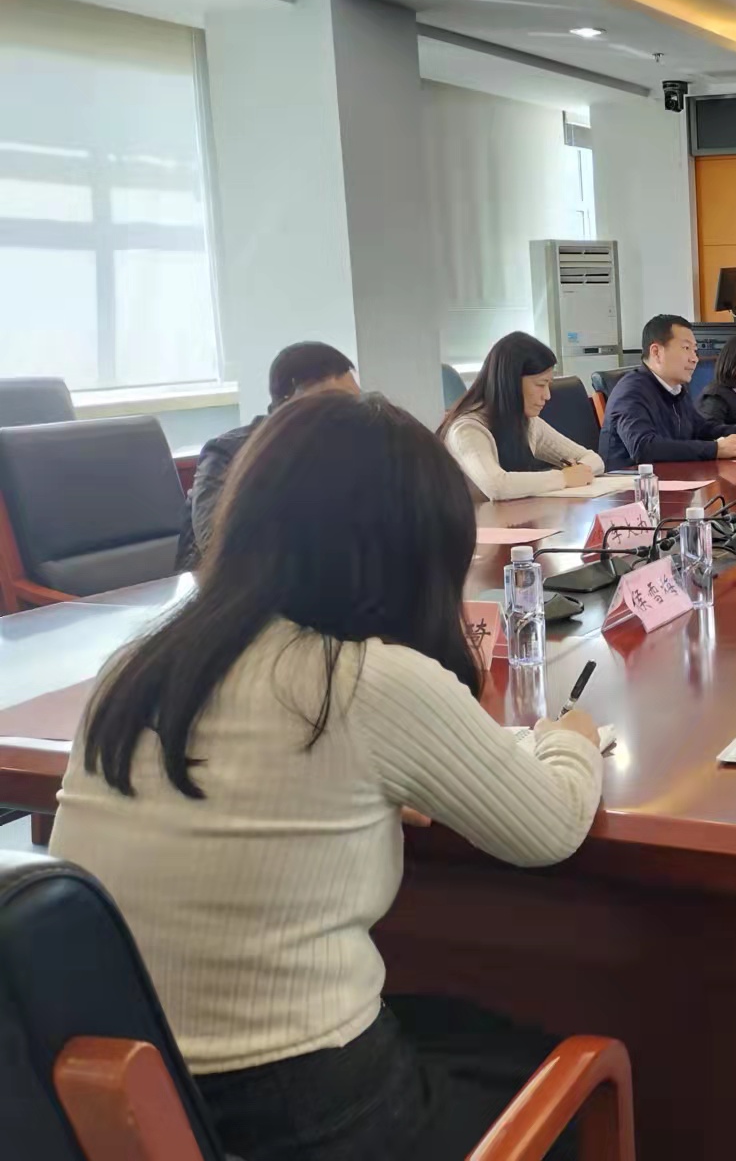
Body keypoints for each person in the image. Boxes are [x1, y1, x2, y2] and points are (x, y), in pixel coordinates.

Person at [51, 393, 605, 1161]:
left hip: (126, 1100)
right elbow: (554, 823)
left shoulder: (135, 666)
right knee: (581, 1087)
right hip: (300, 1107)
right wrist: (570, 739)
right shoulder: (366, 678)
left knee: (461, 1026)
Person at [176, 341, 358, 570]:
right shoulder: (227, 453)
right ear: (286, 406)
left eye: (354, 402)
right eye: (332, 405)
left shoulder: (346, 450)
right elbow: (220, 550)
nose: (349, 416)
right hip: (225, 587)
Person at [598, 314, 736, 470]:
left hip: (673, 481)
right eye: (686, 348)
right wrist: (715, 449)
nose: (694, 358)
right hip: (631, 493)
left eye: (695, 350)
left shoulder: (676, 389)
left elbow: (702, 429)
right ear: (656, 352)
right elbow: (644, 447)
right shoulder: (631, 391)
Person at [441, 331, 604, 501]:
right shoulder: (467, 430)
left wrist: (579, 471)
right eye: (540, 385)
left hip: (517, 515)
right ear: (510, 383)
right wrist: (564, 478)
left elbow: (594, 459)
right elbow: (497, 486)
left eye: (548, 385)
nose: (547, 395)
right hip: (478, 518)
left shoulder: (528, 423)